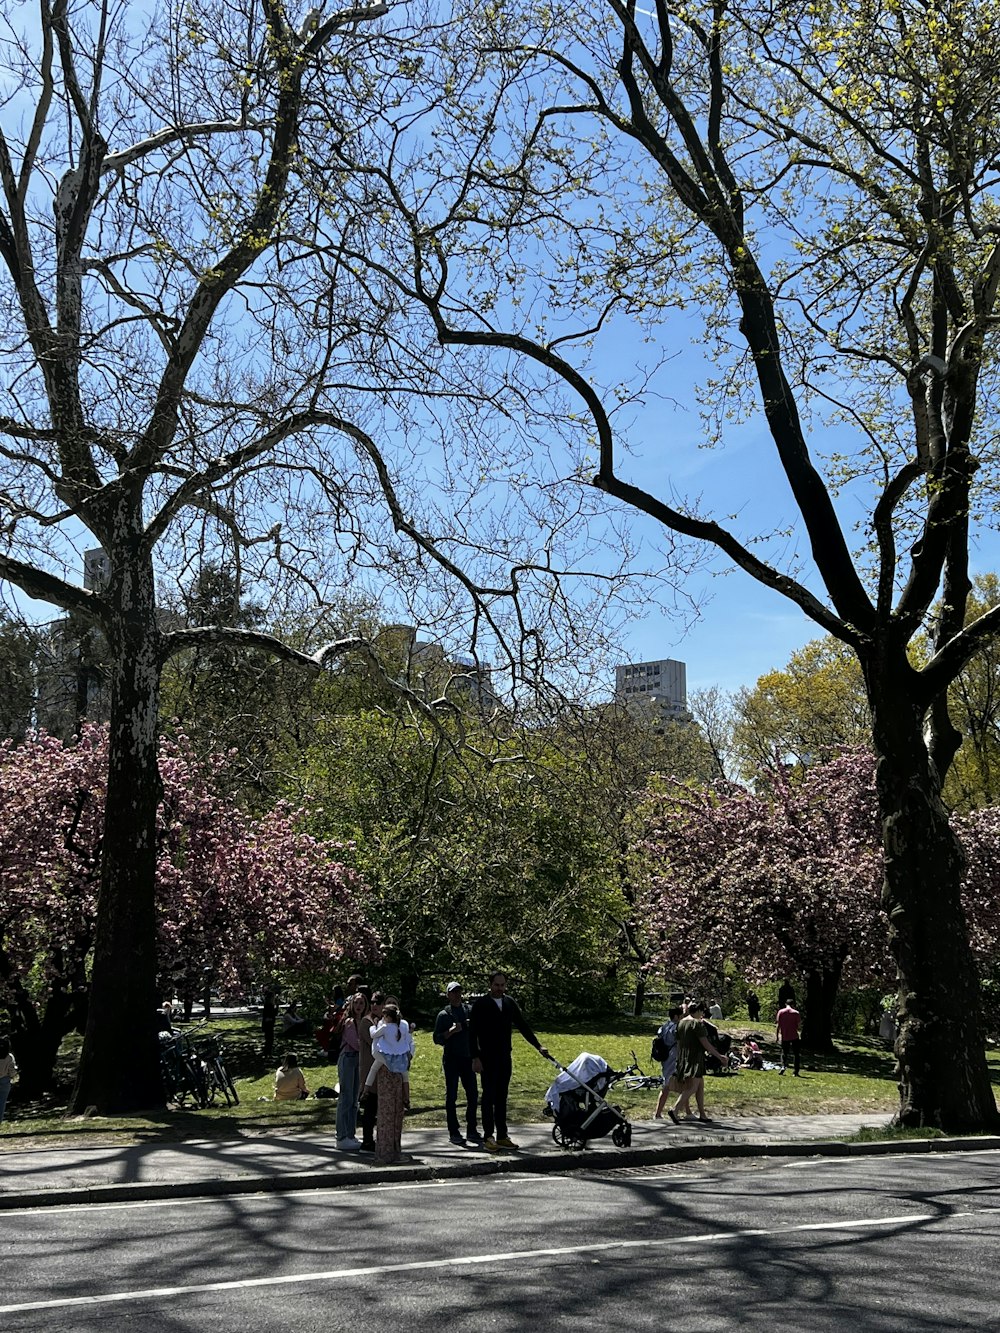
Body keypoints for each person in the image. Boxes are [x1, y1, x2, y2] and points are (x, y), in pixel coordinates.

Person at [469, 971, 548, 1152]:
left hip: (504, 1057)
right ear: (490, 985)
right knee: (488, 1097)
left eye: (502, 985)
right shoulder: (481, 1004)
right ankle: (488, 1136)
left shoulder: (509, 1003)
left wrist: (538, 1046)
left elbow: (523, 1026)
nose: (500, 989)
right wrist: (475, 1058)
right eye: (496, 985)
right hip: (486, 1058)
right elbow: (472, 1033)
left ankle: (502, 1135)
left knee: (502, 1097)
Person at [433, 982, 481, 1146]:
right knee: (451, 1096)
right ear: (448, 995)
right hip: (452, 1059)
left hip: (468, 1058)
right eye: (453, 992)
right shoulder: (444, 1015)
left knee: (473, 1095)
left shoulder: (469, 1011)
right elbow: (436, 1039)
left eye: (459, 992)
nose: (457, 995)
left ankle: (472, 1129)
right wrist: (451, 1032)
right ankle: (453, 1131)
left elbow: (477, 1034)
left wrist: (478, 1056)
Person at [667, 1000, 728, 1124]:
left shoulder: (680, 1023)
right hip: (695, 1058)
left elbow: (678, 1043)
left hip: (683, 1057)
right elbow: (705, 1044)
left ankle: (702, 1114)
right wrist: (719, 1056)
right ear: (699, 1011)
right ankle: (675, 1110)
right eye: (702, 1011)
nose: (703, 1014)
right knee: (692, 1087)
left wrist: (679, 1059)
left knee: (700, 1086)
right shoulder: (697, 1024)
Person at [363, 1002, 414, 1106]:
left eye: (384, 1016)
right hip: (401, 1056)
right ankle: (407, 1098)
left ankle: (365, 1090)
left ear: (388, 1017)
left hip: (387, 1057)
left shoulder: (385, 1027)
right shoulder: (403, 1024)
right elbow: (408, 1034)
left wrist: (374, 1025)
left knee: (374, 1069)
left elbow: (373, 1035)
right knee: (405, 1076)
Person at [336, 992, 369, 1150]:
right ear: (351, 1004)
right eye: (356, 1003)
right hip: (348, 1058)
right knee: (346, 1097)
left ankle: (351, 1134)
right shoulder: (349, 1022)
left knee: (355, 1099)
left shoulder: (363, 1021)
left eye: (361, 1003)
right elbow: (356, 1044)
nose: (358, 1006)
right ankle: (341, 1136)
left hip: (358, 1060)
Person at [358, 991, 384, 1152]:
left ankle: (380, 1139)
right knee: (370, 1108)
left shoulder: (383, 1022)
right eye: (373, 1002)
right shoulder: (366, 1022)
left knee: (378, 1108)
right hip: (370, 1072)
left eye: (378, 1002)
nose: (375, 1005)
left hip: (382, 1071)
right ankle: (367, 1141)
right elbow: (377, 1042)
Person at [654, 1006, 682, 1120]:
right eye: (681, 1015)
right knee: (667, 1086)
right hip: (673, 1057)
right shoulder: (676, 1027)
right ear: (676, 1016)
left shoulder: (664, 1026)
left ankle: (685, 1111)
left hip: (664, 1057)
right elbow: (679, 1043)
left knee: (680, 1085)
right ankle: (658, 1113)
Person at [776, 998, 802, 1075]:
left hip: (785, 1035)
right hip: (794, 1035)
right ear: (793, 1005)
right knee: (796, 1054)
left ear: (785, 1004)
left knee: (784, 1052)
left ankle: (783, 1066)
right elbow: (799, 1026)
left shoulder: (781, 1012)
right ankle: (796, 1071)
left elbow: (778, 1025)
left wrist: (777, 1036)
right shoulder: (796, 1013)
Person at [0, 1038, 17, 1124]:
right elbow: (12, 1070)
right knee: (1, 1103)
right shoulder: (9, 1057)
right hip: (4, 1080)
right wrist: (12, 1076)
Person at [261, 989, 277, 1059]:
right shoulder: (268, 1005)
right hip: (268, 1024)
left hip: (269, 1024)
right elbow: (269, 1015)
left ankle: (267, 1053)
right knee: (269, 1039)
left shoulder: (270, 1005)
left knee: (269, 1039)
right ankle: (267, 1053)